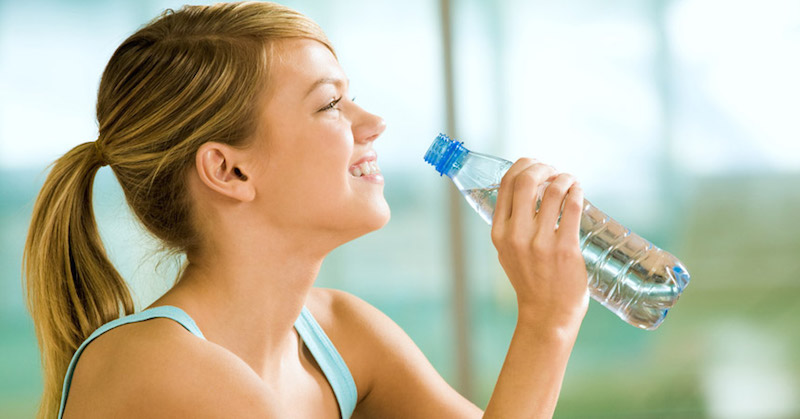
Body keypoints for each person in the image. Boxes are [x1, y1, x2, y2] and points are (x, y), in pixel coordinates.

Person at [23, 2, 589, 418]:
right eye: (330, 104)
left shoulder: (341, 335)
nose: (373, 123)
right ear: (230, 170)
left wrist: (553, 314)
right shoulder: (161, 369)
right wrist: (546, 323)